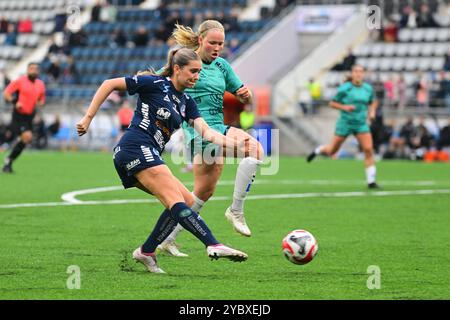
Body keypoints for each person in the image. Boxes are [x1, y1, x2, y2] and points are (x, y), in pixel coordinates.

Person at [76, 48, 249, 273]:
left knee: (187, 203)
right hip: (135, 147)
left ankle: (146, 252)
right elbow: (109, 83)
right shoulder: (155, 83)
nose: (197, 76)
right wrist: (88, 117)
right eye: (193, 71)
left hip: (148, 153)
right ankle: (213, 244)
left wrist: (233, 144)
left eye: (199, 72)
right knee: (174, 200)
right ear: (177, 69)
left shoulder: (187, 102)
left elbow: (207, 133)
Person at [157, 20, 264, 257]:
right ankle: (236, 211)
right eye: (212, 43)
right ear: (200, 40)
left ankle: (167, 239)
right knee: (255, 149)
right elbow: (160, 82)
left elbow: (243, 96)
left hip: (217, 129)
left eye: (221, 44)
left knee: (203, 192)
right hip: (199, 132)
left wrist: (246, 95)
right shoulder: (185, 61)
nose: (217, 48)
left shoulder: (222, 66)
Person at [306, 64, 380, 189]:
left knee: (368, 149)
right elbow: (332, 103)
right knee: (332, 151)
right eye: (356, 71)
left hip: (361, 124)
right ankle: (318, 150)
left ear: (363, 74)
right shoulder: (345, 88)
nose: (358, 74)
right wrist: (345, 107)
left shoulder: (368, 88)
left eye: (361, 72)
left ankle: (371, 181)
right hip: (345, 123)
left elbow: (373, 101)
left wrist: (372, 112)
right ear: (352, 74)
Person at [2, 63, 46, 173]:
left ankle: (9, 161)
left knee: (26, 139)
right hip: (19, 114)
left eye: (36, 69)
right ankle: (8, 159)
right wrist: (15, 102)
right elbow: (6, 93)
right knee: (27, 136)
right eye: (31, 69)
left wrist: (40, 103)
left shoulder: (40, 84)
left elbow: (41, 99)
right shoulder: (20, 81)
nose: (33, 71)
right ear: (27, 70)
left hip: (30, 116)